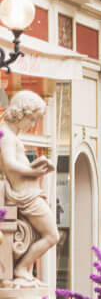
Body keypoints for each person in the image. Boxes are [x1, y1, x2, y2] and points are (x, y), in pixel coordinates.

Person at [0, 91, 58, 286]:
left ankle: (23, 269)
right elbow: (9, 165)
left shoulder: (9, 135)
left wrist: (36, 168)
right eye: (31, 119)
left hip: (28, 193)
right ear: (21, 113)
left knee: (49, 234)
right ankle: (22, 268)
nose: (32, 125)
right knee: (52, 235)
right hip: (24, 195)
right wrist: (33, 172)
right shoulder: (6, 136)